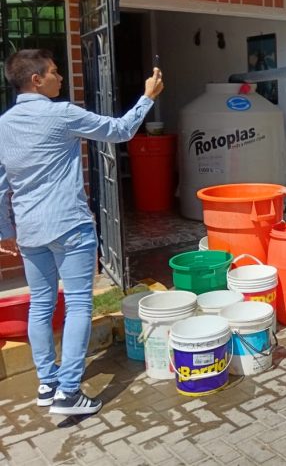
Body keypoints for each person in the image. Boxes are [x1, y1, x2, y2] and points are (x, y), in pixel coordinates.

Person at [0, 49, 164, 415]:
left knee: (41, 306)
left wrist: (5, 231)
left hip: (30, 231)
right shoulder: (61, 114)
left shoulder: (4, 124)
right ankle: (70, 392)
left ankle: (48, 383)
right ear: (36, 80)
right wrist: (147, 97)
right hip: (69, 226)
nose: (61, 78)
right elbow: (120, 131)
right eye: (55, 72)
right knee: (76, 305)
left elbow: (0, 185)